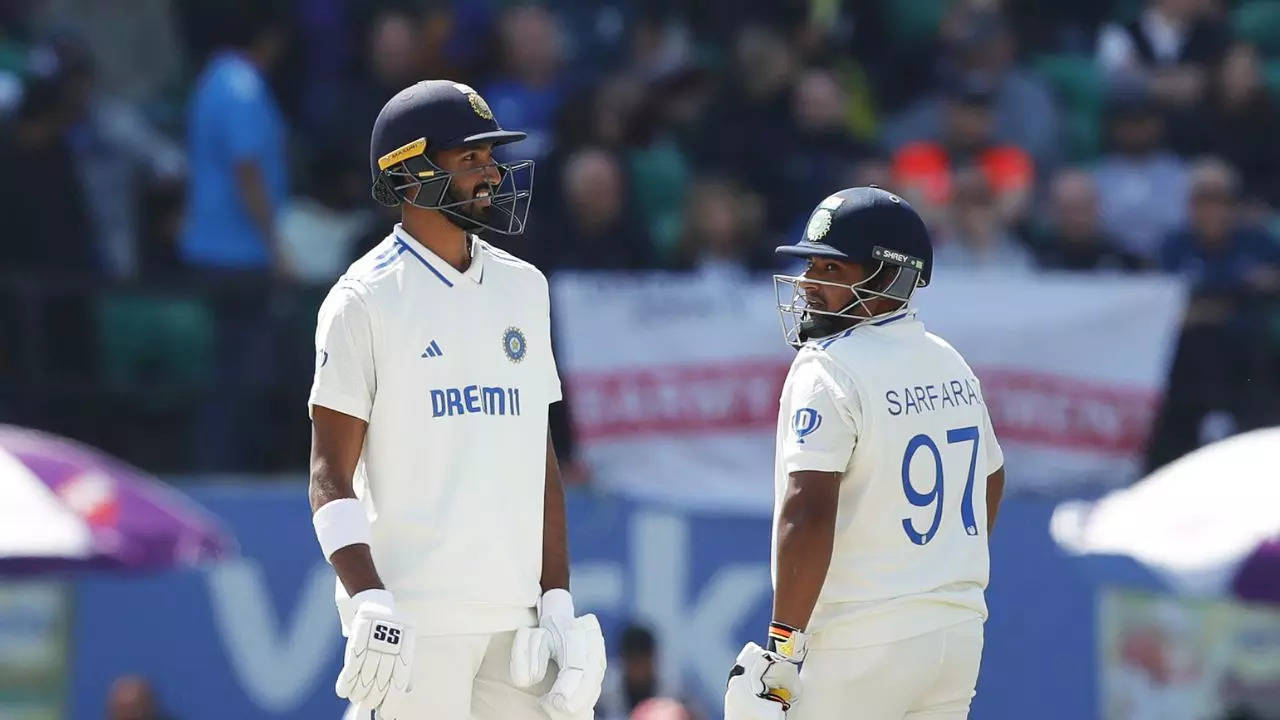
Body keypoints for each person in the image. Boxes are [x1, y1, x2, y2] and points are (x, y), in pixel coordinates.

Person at [307, 80, 606, 720]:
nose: (493, 173)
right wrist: (368, 600)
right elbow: (330, 475)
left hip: (516, 621)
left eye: (490, 157)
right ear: (411, 174)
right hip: (414, 619)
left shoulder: (524, 287)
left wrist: (556, 598)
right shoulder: (362, 299)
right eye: (470, 159)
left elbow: (539, 458)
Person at [726, 187, 1006, 720]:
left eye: (831, 269)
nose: (808, 282)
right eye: (811, 264)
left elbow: (807, 512)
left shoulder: (827, 365)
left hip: (862, 641)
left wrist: (782, 649)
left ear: (887, 278)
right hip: (956, 632)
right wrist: (932, 568)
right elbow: (991, 478)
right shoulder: (947, 359)